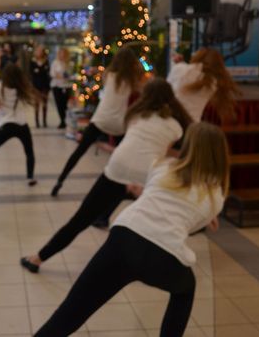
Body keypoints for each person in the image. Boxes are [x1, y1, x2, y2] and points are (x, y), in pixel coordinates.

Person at [34, 122, 229, 337]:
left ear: (189, 146)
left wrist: (139, 191)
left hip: (124, 238)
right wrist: (208, 218)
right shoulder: (215, 196)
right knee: (185, 289)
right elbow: (190, 226)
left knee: (69, 315)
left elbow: (157, 197)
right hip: (164, 255)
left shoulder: (164, 166)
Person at [21, 78, 192, 273]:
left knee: (79, 220)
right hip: (145, 178)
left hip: (116, 169)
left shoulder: (136, 115)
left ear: (146, 97)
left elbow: (135, 143)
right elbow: (165, 152)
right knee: (158, 223)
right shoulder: (176, 127)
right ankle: (160, 265)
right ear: (170, 99)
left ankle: (37, 259)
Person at [50, 48, 145, 197]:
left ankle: (60, 180)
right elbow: (143, 79)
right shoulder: (133, 81)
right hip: (119, 125)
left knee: (79, 152)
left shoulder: (108, 75)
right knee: (124, 158)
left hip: (100, 120)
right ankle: (127, 188)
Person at [167, 47, 240, 123]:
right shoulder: (213, 83)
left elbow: (167, 89)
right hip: (192, 124)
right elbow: (198, 74)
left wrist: (178, 65)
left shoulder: (180, 69)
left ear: (197, 57)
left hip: (172, 122)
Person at [50, 48, 72, 129]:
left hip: (67, 86)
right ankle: (62, 120)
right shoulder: (55, 63)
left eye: (64, 53)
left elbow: (70, 74)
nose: (62, 55)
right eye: (61, 53)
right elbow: (53, 74)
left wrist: (63, 75)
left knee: (65, 104)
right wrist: (60, 76)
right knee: (59, 104)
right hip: (57, 86)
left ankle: (66, 120)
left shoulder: (68, 63)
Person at [30, 44, 51, 128]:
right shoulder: (32, 61)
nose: (39, 52)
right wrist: (39, 71)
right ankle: (37, 121)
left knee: (45, 104)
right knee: (36, 104)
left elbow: (46, 71)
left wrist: (38, 71)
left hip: (45, 84)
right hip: (36, 85)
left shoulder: (46, 61)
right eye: (38, 50)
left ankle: (44, 121)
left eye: (40, 51)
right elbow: (32, 72)